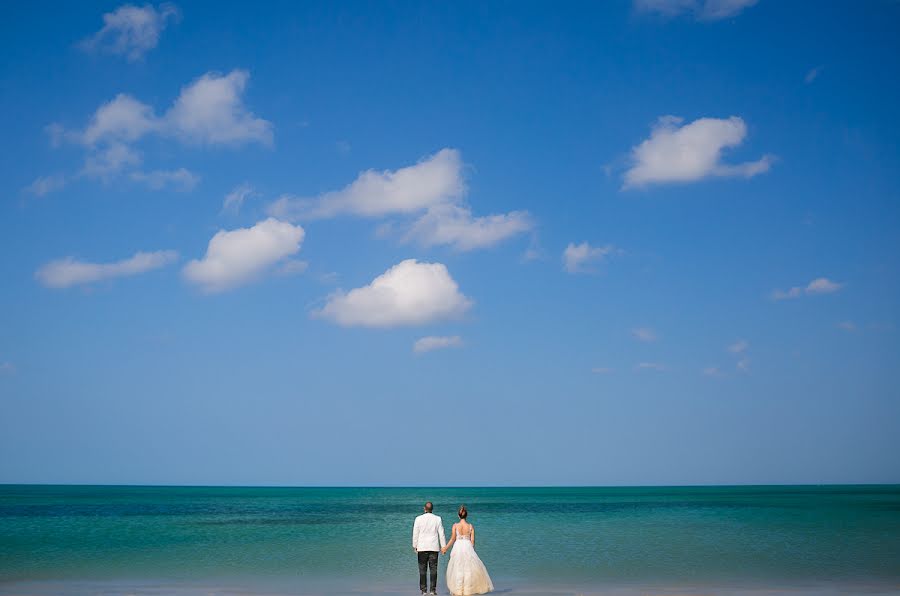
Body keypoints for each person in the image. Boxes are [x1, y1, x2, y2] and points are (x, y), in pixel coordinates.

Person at [441, 505, 494, 595]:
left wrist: (445, 548)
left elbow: (453, 539)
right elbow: (472, 541)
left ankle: (458, 591)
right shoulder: (470, 526)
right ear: (466, 516)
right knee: (468, 569)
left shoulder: (455, 525)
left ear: (458, 515)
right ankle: (467, 590)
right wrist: (471, 549)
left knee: (458, 568)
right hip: (467, 546)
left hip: (458, 546)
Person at [412, 501, 446, 595]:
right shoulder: (437, 519)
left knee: (422, 569)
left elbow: (415, 533)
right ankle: (432, 590)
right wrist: (443, 546)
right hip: (433, 547)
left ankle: (423, 591)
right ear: (432, 509)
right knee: (433, 569)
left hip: (422, 547)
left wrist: (414, 545)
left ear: (424, 508)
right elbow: (441, 533)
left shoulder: (418, 519)